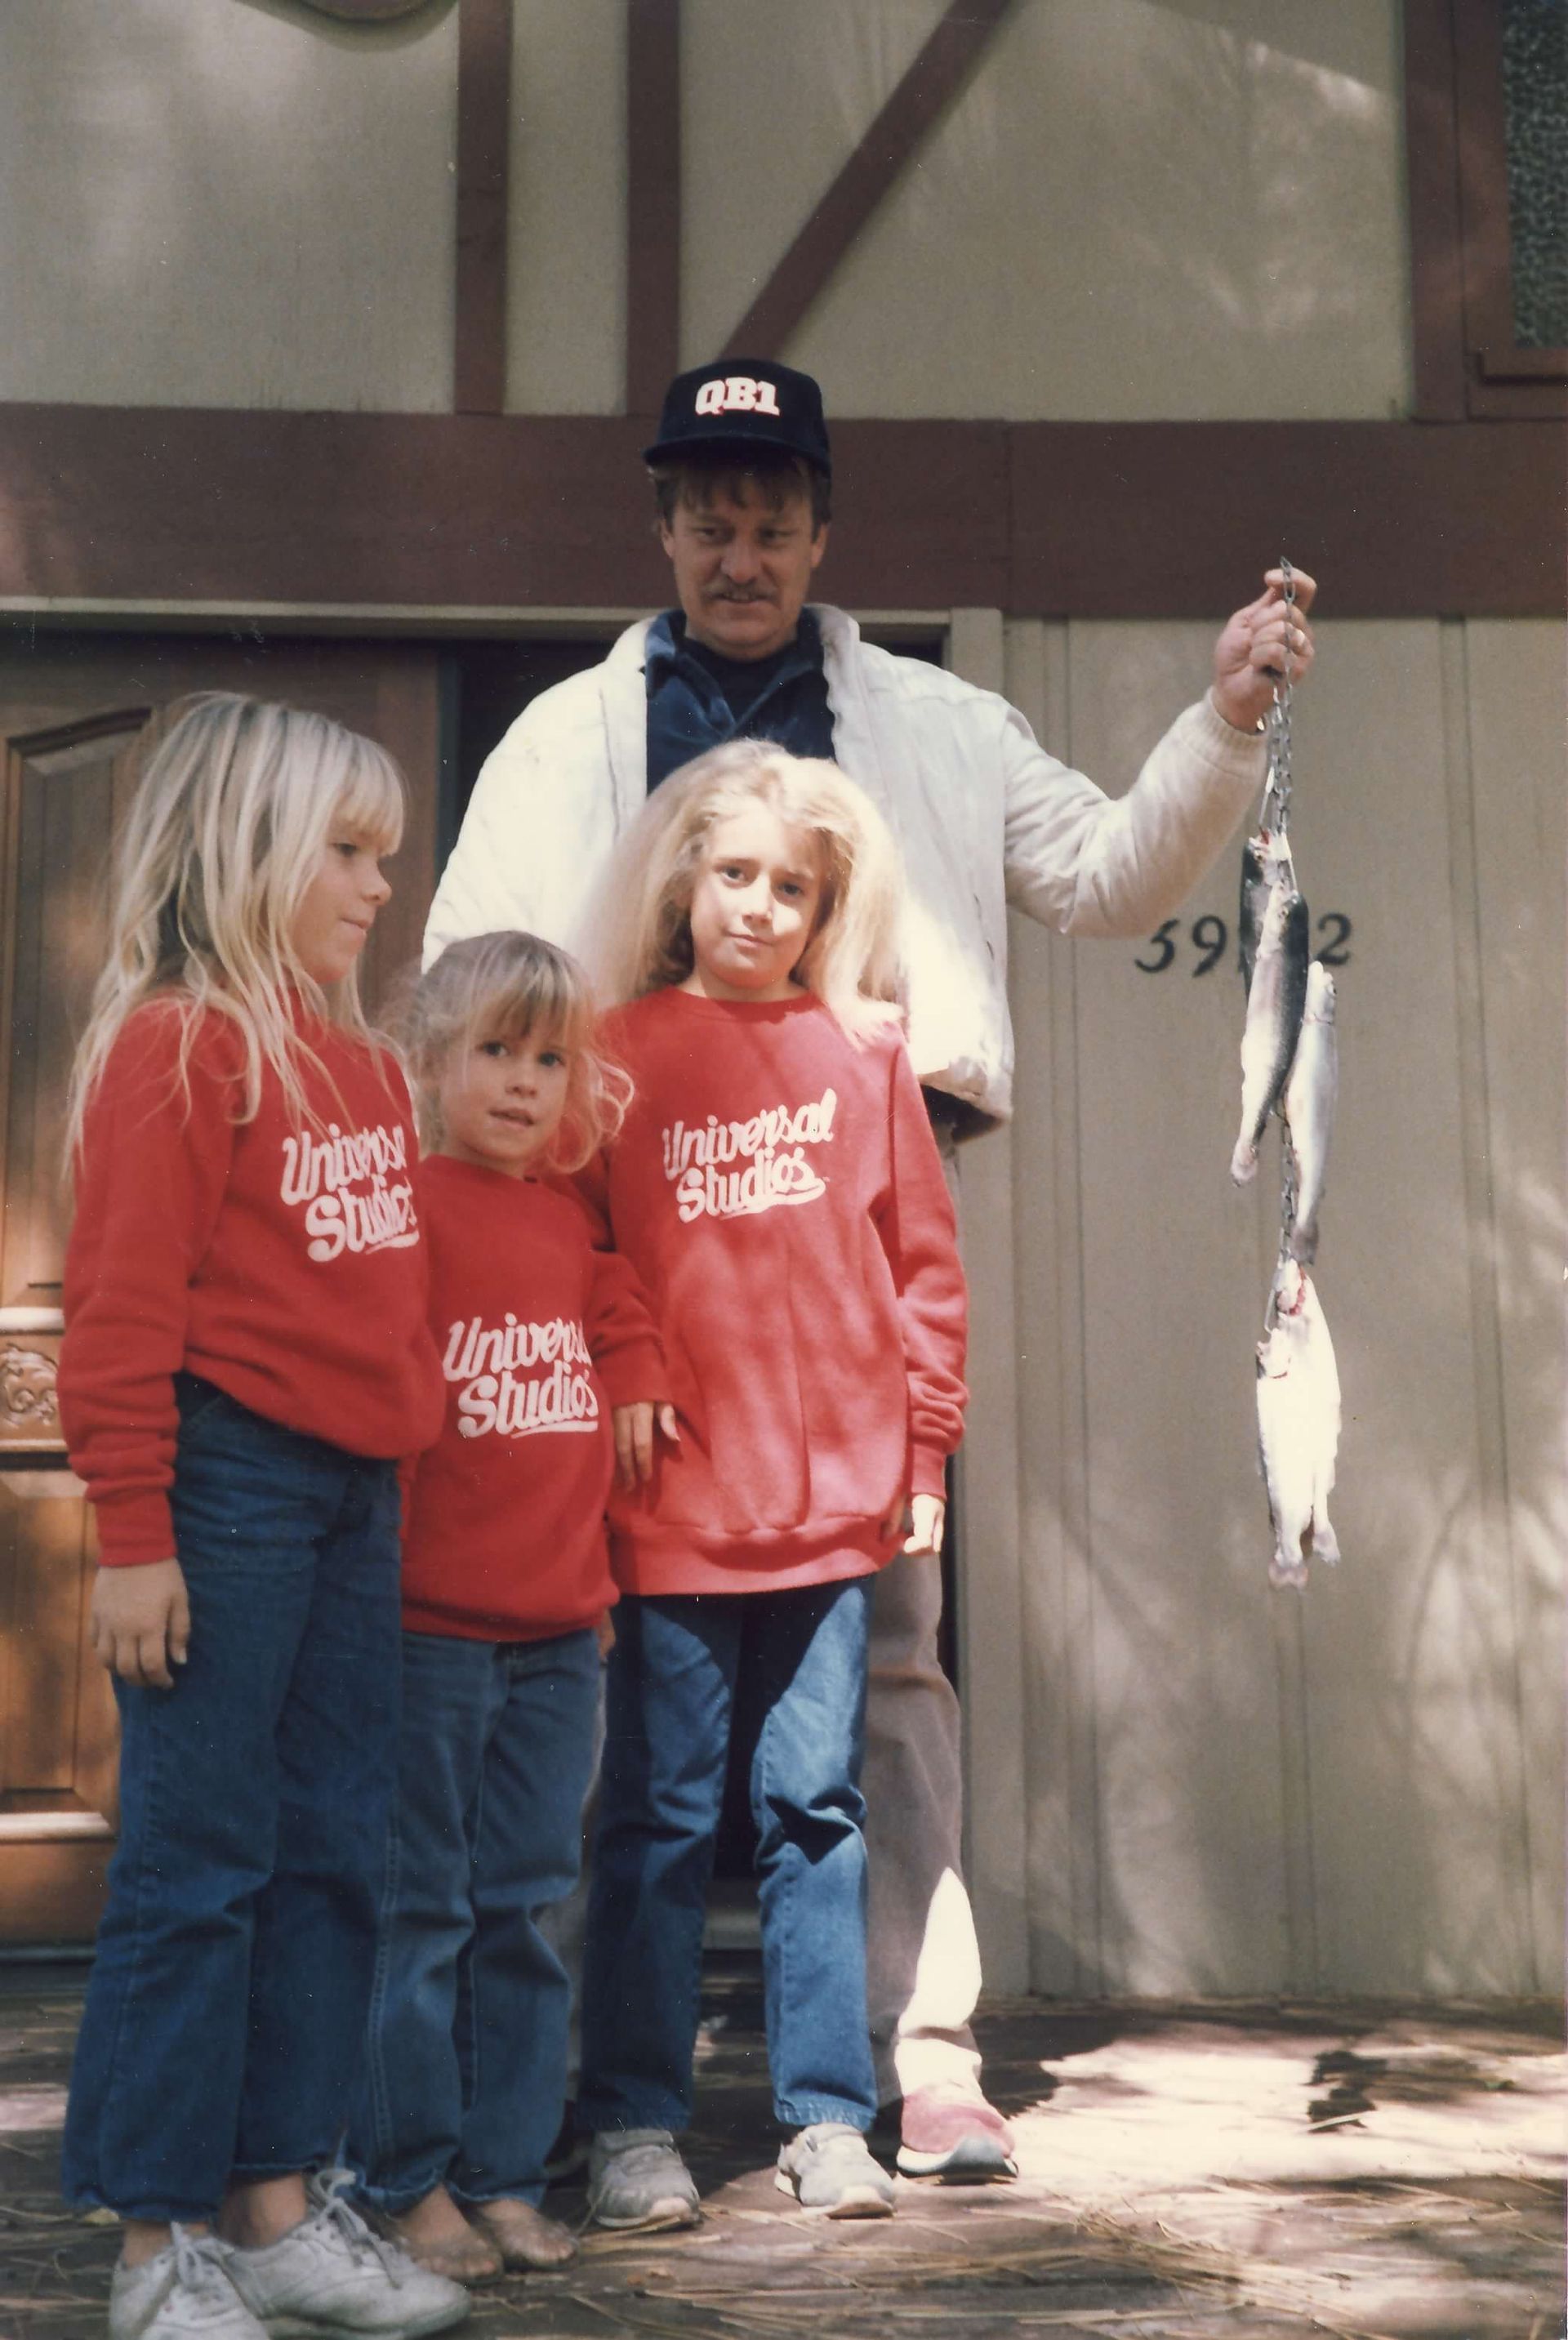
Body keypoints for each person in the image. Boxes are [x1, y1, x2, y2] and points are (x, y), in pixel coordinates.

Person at [423, 358, 1318, 2178]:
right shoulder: (567, 737)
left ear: (822, 532)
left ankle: (914, 2048)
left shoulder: (933, 717)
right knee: (600, 1664)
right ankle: (585, 2079)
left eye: (772, 520)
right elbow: (466, 970)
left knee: (886, 1662)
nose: (739, 551)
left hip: (846, 1222)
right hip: (630, 1239)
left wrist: (1225, 719)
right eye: (709, 518)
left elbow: (1109, 869)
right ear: (665, 527)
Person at [56, 695, 468, 2340]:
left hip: (352, 1503)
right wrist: (133, 1530)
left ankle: (275, 2208)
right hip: (222, 1488)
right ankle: (155, 2246)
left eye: (385, 853)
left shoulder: (359, 1062)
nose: (380, 884)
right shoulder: (179, 1046)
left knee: (332, 1852)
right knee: (201, 1859)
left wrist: (398, 1474)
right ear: (245, 851)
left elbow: (384, 1314)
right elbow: (119, 1311)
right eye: (347, 852)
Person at [573, 742, 967, 2227]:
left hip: (832, 1507)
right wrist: (625, 1361)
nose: (758, 905)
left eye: (790, 887)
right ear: (684, 881)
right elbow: (571, 1250)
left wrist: (923, 1449)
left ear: (825, 908)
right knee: (660, 1816)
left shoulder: (865, 1050)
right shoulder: (613, 1048)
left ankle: (825, 2115)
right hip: (673, 1503)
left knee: (816, 1808)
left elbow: (925, 1271)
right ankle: (631, 2121)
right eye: (734, 874)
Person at [348, 932, 668, 2282]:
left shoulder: (561, 1222)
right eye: (495, 1052)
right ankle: (403, 2177)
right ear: (431, 1063)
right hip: (428, 1632)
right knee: (420, 1912)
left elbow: (618, 1304)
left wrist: (636, 1369)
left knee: (527, 1911)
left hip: (560, 1634)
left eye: (550, 1058)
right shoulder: (409, 1210)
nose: (526, 1082)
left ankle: (504, 2171)